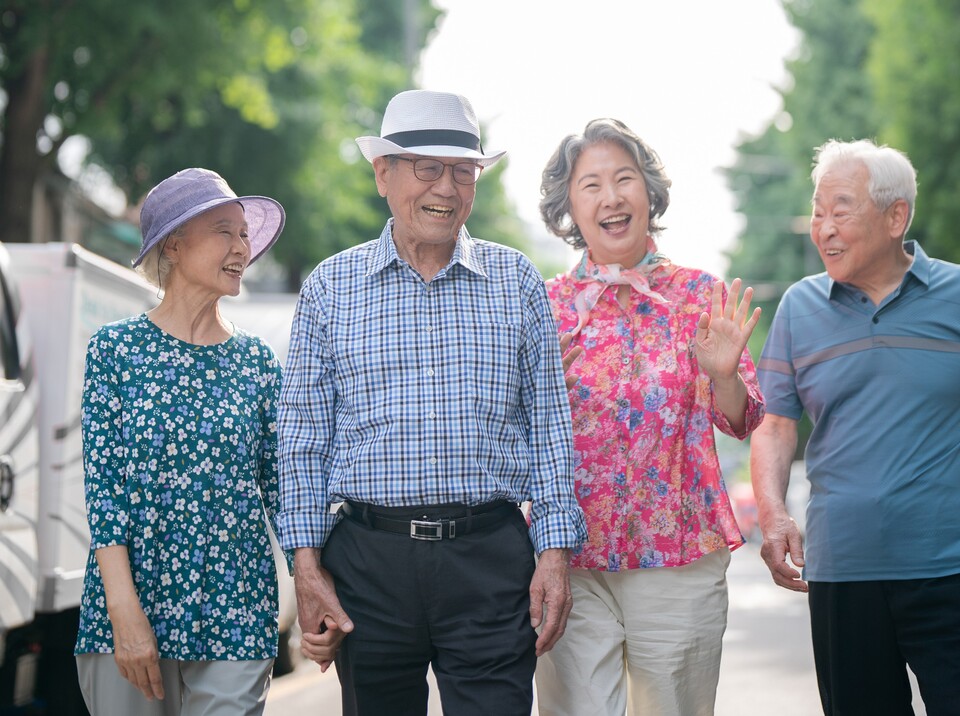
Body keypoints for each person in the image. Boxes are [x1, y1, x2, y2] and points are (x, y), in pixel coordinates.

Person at [276, 89, 586, 716]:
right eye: (428, 169)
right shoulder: (330, 287)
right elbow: (302, 441)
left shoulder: (516, 279)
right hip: (368, 564)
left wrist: (553, 553)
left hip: (490, 560)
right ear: (383, 174)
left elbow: (551, 426)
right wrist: (306, 570)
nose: (447, 187)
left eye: (462, 170)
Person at [534, 118, 765, 716]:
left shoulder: (699, 295)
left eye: (624, 179)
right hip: (570, 563)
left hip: (678, 560)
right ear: (569, 207)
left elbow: (740, 420)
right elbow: (508, 436)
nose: (610, 197)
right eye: (591, 185)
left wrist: (721, 374)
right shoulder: (544, 307)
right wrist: (533, 390)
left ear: (648, 193)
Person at [751, 139, 960, 715]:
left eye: (841, 210)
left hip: (949, 566)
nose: (824, 229)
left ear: (897, 217)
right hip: (845, 572)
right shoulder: (799, 307)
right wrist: (773, 515)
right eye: (817, 213)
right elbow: (774, 424)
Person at [74, 168, 286, 715]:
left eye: (244, 234)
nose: (242, 247)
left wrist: (313, 583)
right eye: (225, 231)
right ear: (173, 243)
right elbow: (105, 491)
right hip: (131, 601)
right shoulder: (115, 350)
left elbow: (282, 488)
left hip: (236, 606)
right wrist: (123, 612)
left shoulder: (258, 363)